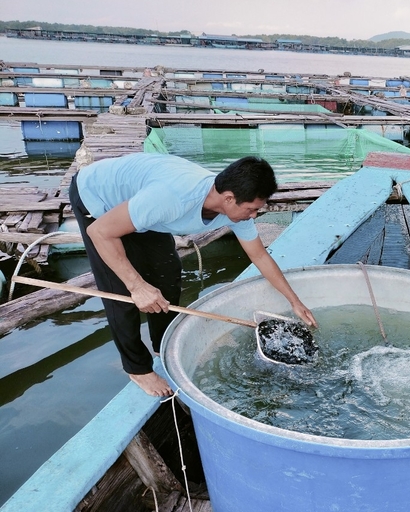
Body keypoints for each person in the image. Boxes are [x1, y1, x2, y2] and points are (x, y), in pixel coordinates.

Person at [70, 153, 318, 397]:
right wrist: (137, 286)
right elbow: (100, 232)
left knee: (167, 274)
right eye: (252, 209)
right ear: (229, 198)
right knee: (121, 291)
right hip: (97, 200)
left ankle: (161, 346)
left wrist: (294, 301)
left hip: (138, 203)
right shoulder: (172, 198)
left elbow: (260, 256)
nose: (254, 215)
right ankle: (137, 369)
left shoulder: (233, 209)